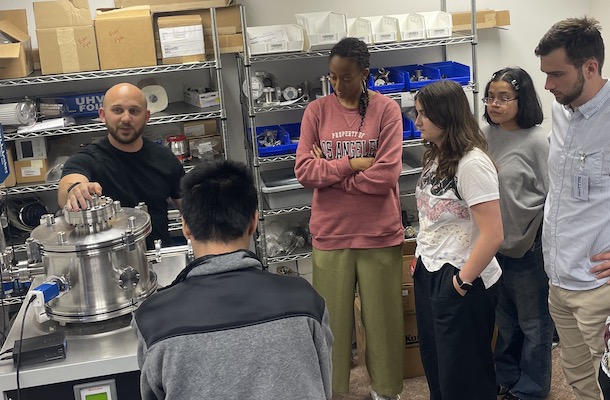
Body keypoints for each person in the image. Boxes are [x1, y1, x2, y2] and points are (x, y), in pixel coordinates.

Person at [132, 160, 333, 399]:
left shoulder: (153, 320)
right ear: (254, 221)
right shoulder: (306, 302)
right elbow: (322, 384)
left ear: (185, 226)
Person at [294, 37, 404, 400]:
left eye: (346, 77)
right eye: (332, 77)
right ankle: (334, 391)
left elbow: (387, 175)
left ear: (365, 74)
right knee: (332, 326)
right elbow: (305, 171)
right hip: (331, 233)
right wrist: (352, 164)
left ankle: (386, 391)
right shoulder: (316, 111)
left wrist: (333, 174)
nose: (338, 85)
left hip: (379, 233)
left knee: (383, 322)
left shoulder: (387, 110)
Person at [412, 79, 503, 400]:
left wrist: (462, 282)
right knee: (438, 368)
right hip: (430, 272)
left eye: (424, 114)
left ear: (446, 115)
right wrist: (420, 259)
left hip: (462, 277)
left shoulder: (472, 163)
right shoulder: (435, 156)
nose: (417, 121)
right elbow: (431, 216)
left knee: (466, 375)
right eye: (417, 113)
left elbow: (493, 234)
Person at [535, 17, 610, 400]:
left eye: (556, 74)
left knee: (607, 382)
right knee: (579, 382)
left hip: (599, 287)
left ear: (590, 68)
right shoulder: (560, 111)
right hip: (559, 280)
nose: (548, 85)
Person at [481, 67, 553, 400]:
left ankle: (531, 390)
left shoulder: (538, 141)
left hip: (527, 249)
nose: (495, 104)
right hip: (494, 247)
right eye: (491, 97)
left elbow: (554, 196)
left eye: (503, 98)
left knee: (535, 325)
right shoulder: (485, 135)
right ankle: (507, 378)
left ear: (521, 100)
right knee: (506, 323)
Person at [58, 83, 184, 249]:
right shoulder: (86, 159)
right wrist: (75, 190)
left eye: (134, 111)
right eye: (117, 110)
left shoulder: (165, 159)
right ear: (103, 115)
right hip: (105, 264)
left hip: (158, 259)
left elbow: (191, 209)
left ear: (146, 117)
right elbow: (66, 188)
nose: (126, 118)